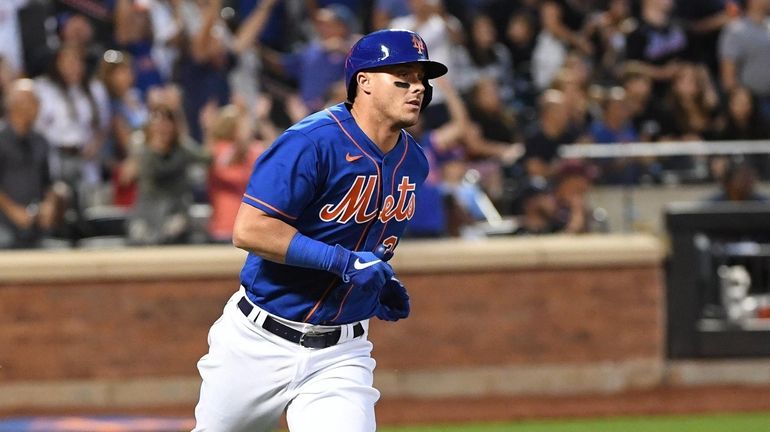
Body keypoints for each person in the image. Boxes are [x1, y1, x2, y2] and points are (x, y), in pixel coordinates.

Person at [193, 29, 447, 431]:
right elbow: (250, 230)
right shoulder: (310, 142)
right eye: (403, 77)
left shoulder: (413, 161)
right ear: (363, 82)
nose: (417, 88)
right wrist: (343, 263)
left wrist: (371, 287)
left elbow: (363, 244)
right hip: (258, 341)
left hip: (341, 353)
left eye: (422, 80)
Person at [0, 79, 66, 249]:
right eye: (34, 100)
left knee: (58, 251)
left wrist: (49, 205)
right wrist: (14, 211)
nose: (39, 106)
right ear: (16, 104)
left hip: (35, 224)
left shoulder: (41, 141)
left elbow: (52, 182)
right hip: (4, 222)